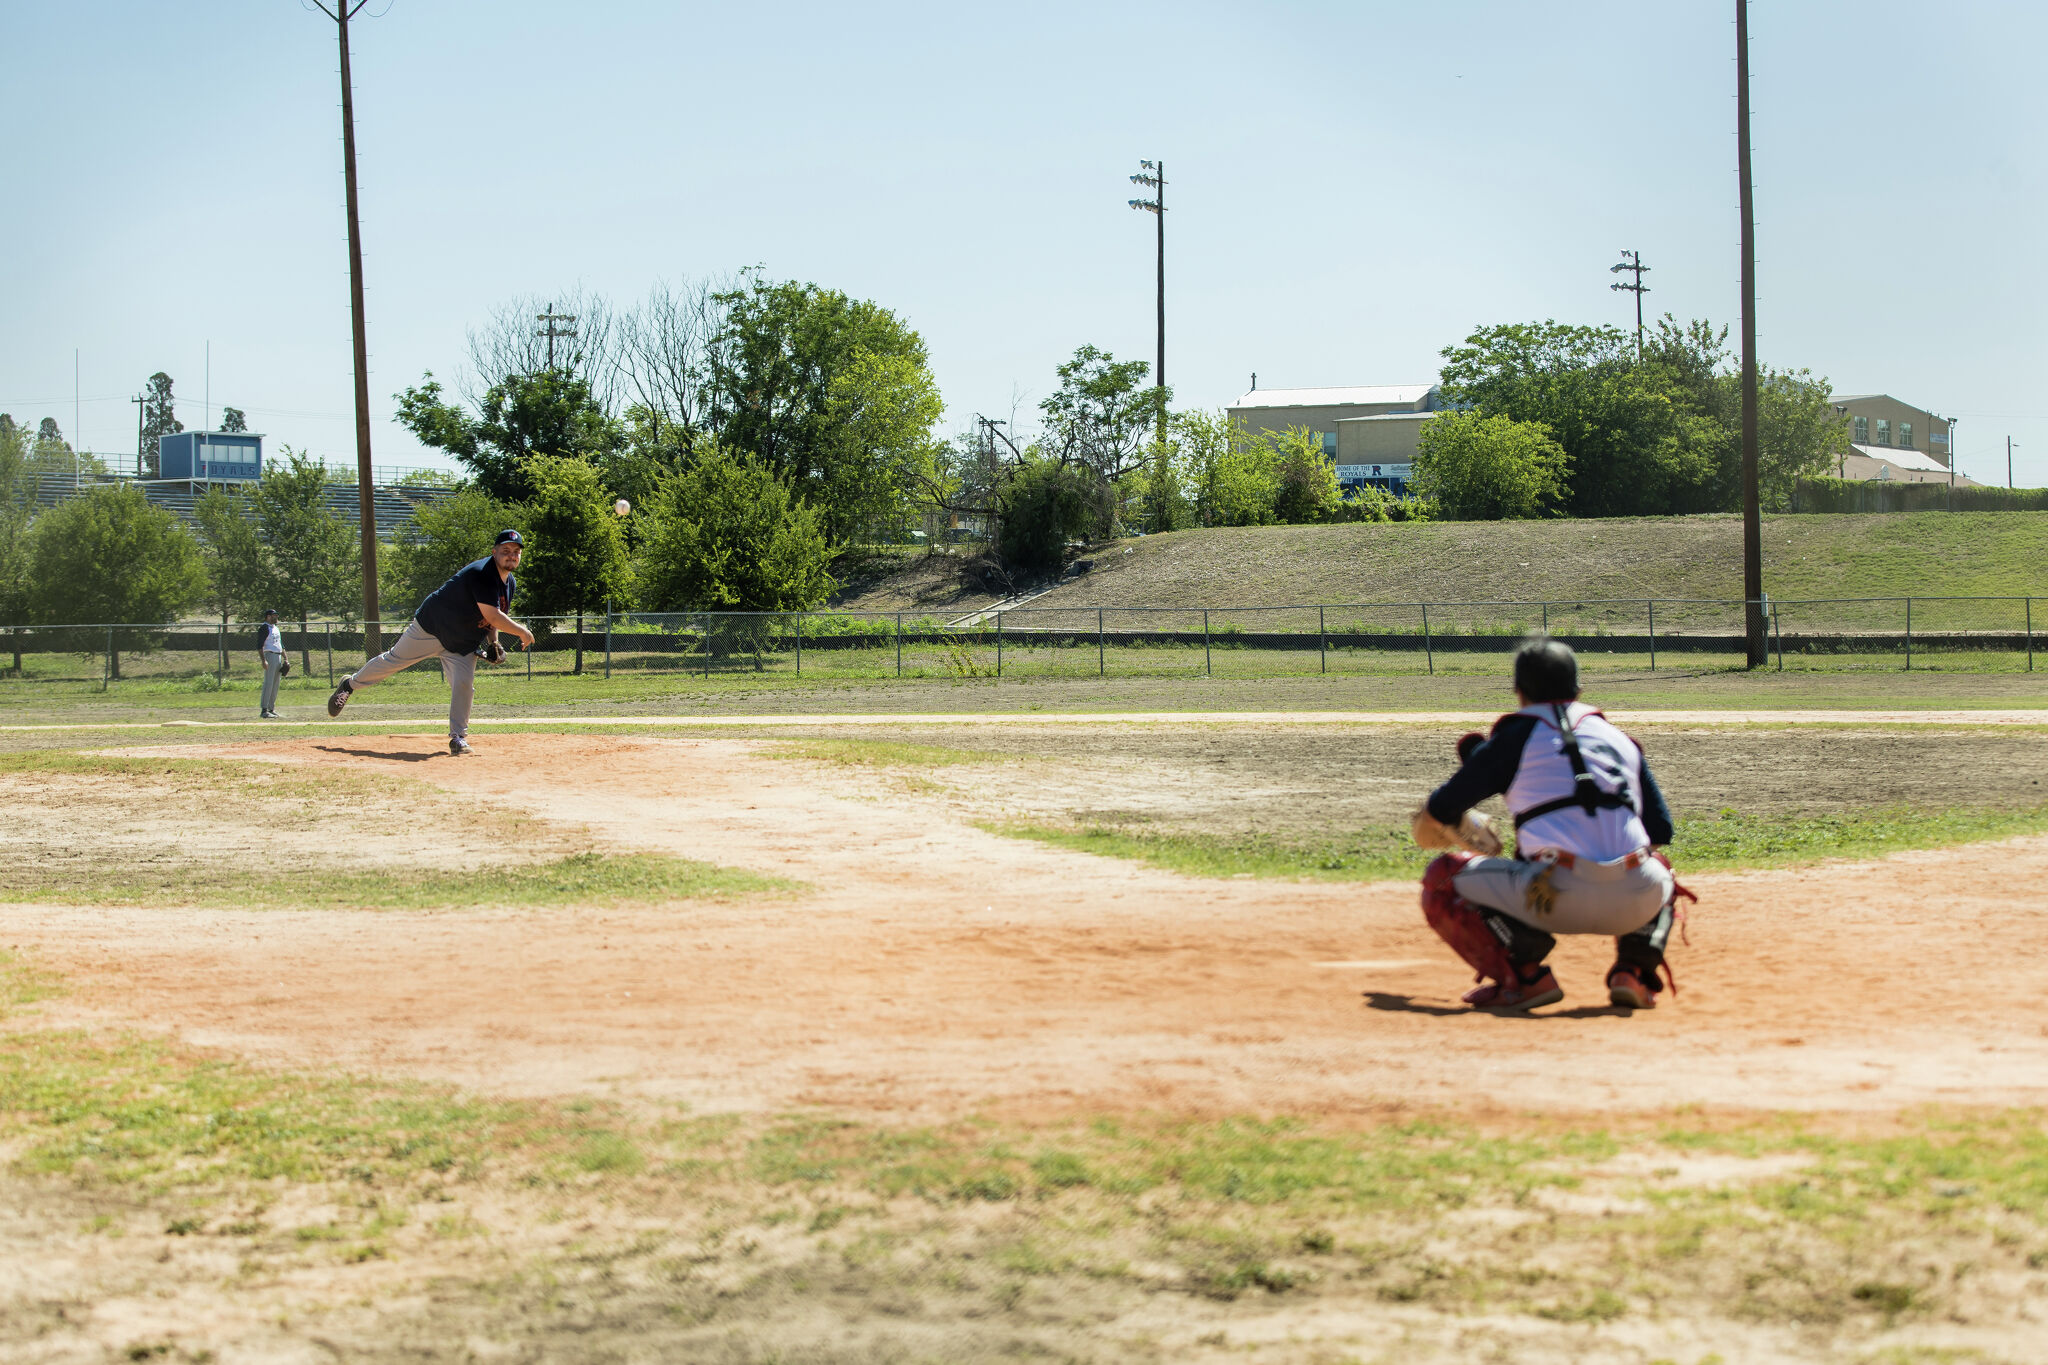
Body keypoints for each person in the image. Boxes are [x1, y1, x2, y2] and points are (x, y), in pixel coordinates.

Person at [1410, 637, 1688, 1012]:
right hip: (1636, 898)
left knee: (1442, 877)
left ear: (1519, 693)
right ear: (1579, 690)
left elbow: (1442, 808)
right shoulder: (1620, 739)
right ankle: (1633, 973)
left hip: (1550, 898)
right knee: (1661, 867)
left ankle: (1524, 977)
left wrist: (1482, 767)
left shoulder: (1514, 737)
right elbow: (1660, 830)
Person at [326, 530, 533, 755]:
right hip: (431, 629)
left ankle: (458, 738)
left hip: (461, 642)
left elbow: (491, 619)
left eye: (516, 552)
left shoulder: (508, 583)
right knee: (392, 661)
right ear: (494, 552)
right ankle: (349, 685)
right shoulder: (482, 573)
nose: (511, 555)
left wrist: (494, 644)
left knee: (463, 685)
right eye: (505, 551)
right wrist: (523, 632)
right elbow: (494, 616)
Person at [256, 608, 285, 719]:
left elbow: (281, 645)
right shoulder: (264, 628)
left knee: (275, 684)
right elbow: (259, 645)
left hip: (278, 656)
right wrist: (264, 660)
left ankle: (271, 709)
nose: (276, 617)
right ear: (268, 616)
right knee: (268, 683)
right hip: (269, 655)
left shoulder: (276, 628)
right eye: (274, 615)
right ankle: (264, 710)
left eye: (276, 615)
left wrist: (286, 659)